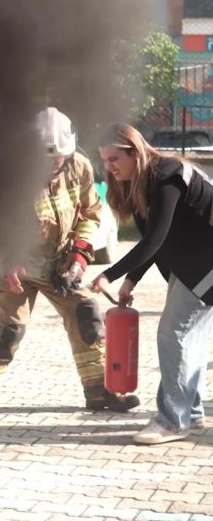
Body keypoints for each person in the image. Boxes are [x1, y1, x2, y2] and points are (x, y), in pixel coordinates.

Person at [0, 107, 140, 424]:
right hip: (15, 266)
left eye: (58, 158)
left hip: (60, 263)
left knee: (87, 316)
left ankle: (99, 390)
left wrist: (80, 256)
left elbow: (90, 213)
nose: (53, 164)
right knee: (8, 331)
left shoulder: (79, 166)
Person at [90, 123, 213, 445]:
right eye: (104, 160)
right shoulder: (143, 184)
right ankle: (191, 413)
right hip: (194, 265)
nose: (109, 167)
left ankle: (173, 420)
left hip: (206, 263)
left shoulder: (167, 175)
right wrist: (131, 279)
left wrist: (110, 274)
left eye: (114, 159)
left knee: (173, 334)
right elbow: (155, 240)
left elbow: (155, 240)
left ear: (135, 152)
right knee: (191, 338)